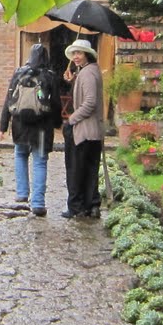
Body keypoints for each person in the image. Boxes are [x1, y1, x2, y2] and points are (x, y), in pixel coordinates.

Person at [0, 42, 61, 217]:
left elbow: (8, 100)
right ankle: (38, 203)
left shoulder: (19, 73)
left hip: (20, 126)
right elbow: (56, 103)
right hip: (41, 128)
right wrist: (57, 124)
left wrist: (3, 126)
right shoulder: (49, 76)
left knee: (20, 155)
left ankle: (22, 194)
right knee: (39, 161)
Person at [62, 38, 105, 219]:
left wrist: (71, 119)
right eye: (74, 53)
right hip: (94, 132)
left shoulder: (87, 73)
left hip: (84, 132)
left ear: (87, 54)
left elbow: (89, 103)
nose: (76, 57)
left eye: (79, 53)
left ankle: (77, 207)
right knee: (90, 170)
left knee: (77, 171)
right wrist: (73, 81)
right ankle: (91, 205)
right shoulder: (90, 71)